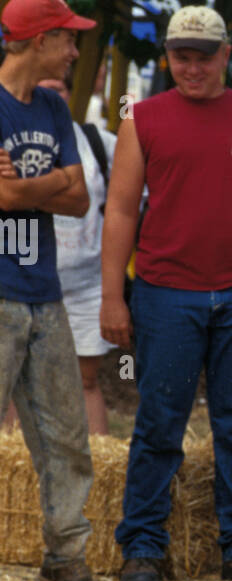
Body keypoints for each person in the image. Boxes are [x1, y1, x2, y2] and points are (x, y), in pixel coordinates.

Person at [101, 5, 232, 581]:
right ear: (167, 55)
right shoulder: (143, 117)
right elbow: (120, 208)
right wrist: (114, 295)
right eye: (180, 55)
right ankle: (142, 546)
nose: (191, 66)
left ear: (225, 54)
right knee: (160, 422)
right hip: (165, 291)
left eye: (203, 54)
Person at [0, 0, 107, 581]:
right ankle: (63, 557)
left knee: (66, 436)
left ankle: (65, 561)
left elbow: (80, 198)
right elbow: (14, 197)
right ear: (39, 41)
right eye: (67, 38)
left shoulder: (52, 109)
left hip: (44, 291)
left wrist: (28, 187)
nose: (73, 49)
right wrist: (51, 182)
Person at [39, 71, 116, 434]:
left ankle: (98, 477)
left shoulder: (96, 141)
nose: (46, 95)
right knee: (17, 384)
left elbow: (135, 198)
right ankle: (13, 485)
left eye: (54, 87)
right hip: (23, 284)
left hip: (87, 285)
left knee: (85, 381)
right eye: (38, 88)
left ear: (68, 93)